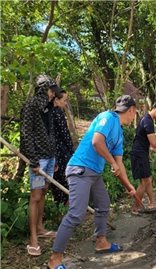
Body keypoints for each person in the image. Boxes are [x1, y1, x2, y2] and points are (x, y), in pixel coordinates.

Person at [48, 95, 138, 269]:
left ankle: (101, 241)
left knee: (103, 204)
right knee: (76, 214)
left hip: (94, 173)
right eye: (134, 113)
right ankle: (54, 259)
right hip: (80, 169)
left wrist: (129, 186)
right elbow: (97, 141)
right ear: (131, 110)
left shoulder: (119, 133)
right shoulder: (107, 117)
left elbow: (119, 164)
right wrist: (111, 162)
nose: (134, 117)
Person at [20, 74, 62, 256]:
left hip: (50, 158)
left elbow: (51, 133)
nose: (54, 94)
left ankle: (41, 228)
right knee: (36, 195)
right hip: (39, 160)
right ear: (45, 89)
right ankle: (33, 239)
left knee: (44, 191)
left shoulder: (49, 107)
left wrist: (55, 159)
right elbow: (26, 134)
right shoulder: (31, 106)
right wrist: (34, 161)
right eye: (52, 90)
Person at [131, 99, 156, 215]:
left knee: (148, 179)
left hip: (142, 152)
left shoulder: (147, 119)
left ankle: (152, 204)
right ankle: (135, 208)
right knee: (145, 181)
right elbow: (154, 143)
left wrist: (154, 145)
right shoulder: (148, 121)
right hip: (139, 153)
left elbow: (148, 142)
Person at [51, 90, 74, 205]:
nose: (65, 103)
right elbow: (65, 135)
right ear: (56, 99)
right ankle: (66, 207)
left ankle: (59, 205)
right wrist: (71, 150)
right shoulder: (57, 113)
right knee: (65, 180)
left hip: (51, 152)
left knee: (56, 182)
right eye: (64, 100)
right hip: (61, 152)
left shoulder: (47, 112)